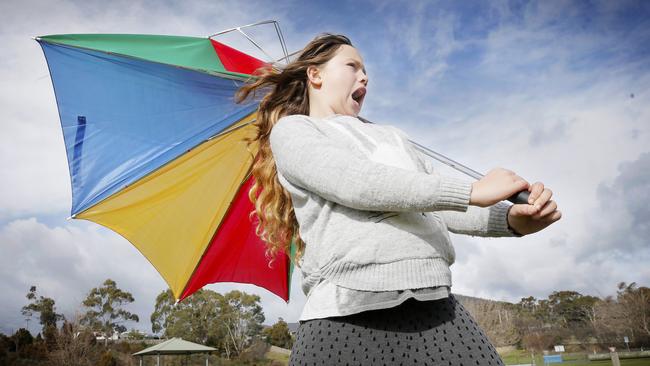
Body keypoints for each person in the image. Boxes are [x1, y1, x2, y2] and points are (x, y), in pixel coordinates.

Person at [236, 33, 561, 366]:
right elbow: (355, 183)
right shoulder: (294, 131)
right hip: (344, 317)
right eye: (352, 66)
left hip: (436, 307)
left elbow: (438, 208)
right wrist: (472, 191)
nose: (364, 78)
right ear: (315, 75)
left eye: (367, 74)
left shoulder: (393, 137)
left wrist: (510, 220)